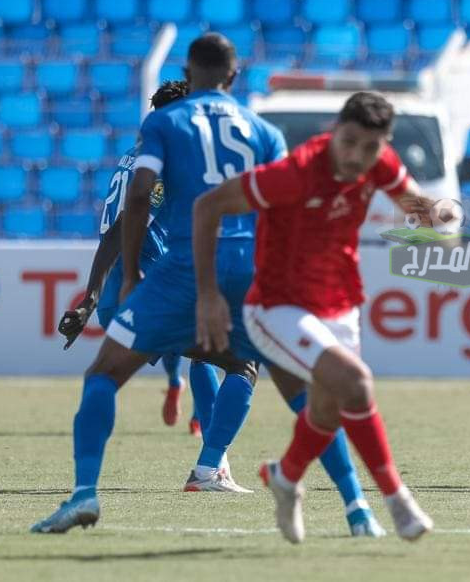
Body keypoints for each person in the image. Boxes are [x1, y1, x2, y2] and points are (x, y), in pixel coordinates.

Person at [32, 34, 383, 536]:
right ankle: (356, 509)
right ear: (234, 78)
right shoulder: (264, 131)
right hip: (244, 272)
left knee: (104, 374)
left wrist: (128, 278)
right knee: (287, 384)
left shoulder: (164, 123)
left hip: (177, 272)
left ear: (190, 74)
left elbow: (137, 201)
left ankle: (85, 494)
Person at [192, 91, 435, 542]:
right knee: (356, 384)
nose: (357, 156)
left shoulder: (378, 161)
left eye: (370, 147)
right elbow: (207, 207)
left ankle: (285, 476)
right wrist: (208, 295)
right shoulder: (294, 173)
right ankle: (397, 500)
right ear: (334, 131)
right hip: (276, 307)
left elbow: (417, 203)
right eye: (349, 142)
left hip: (339, 304)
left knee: (327, 408)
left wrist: (438, 216)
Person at [58, 80, 213, 437]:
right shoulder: (164, 162)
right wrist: (89, 297)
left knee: (109, 373)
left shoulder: (135, 153)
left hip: (119, 290)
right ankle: (213, 460)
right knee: (217, 353)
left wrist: (92, 300)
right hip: (142, 282)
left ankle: (86, 477)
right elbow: (125, 225)